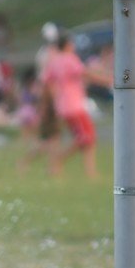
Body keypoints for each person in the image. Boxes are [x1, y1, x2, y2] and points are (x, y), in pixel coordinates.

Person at [43, 36, 111, 178]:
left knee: (86, 138)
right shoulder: (70, 59)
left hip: (62, 105)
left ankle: (90, 171)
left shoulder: (55, 61)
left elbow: (47, 81)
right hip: (74, 105)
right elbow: (85, 74)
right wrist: (108, 81)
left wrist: (53, 98)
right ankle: (60, 159)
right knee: (86, 137)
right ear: (67, 45)